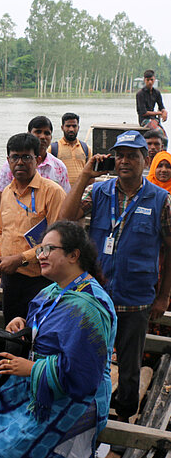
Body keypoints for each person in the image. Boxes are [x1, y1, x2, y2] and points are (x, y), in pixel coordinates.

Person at [0, 221, 117, 458]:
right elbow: (40, 328)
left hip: (72, 396)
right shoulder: (53, 291)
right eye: (40, 249)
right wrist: (22, 325)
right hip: (38, 379)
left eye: (49, 249)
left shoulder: (86, 310)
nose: (40, 256)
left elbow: (83, 377)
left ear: (74, 255)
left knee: (5, 449)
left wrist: (32, 369)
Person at [59, 130, 171, 425]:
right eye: (119, 155)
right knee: (87, 356)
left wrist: (163, 297)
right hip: (96, 298)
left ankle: (123, 421)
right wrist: (85, 177)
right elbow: (64, 218)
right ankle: (87, 412)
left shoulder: (161, 200)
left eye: (132, 156)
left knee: (131, 366)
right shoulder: (98, 193)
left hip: (136, 301)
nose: (124, 161)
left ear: (144, 160)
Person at [0, 133, 66, 323]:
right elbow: (1, 231)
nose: (20, 162)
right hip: (10, 280)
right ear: (8, 160)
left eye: (26, 157)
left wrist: (21, 259)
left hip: (41, 281)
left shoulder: (53, 192)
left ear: (38, 160)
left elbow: (57, 243)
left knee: (39, 336)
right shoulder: (7, 192)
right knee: (12, 334)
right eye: (15, 157)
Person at [0, 116, 70, 236]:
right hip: (15, 226)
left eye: (47, 133)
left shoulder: (59, 167)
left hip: (47, 233)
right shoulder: (10, 166)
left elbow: (65, 203)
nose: (42, 137)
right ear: (29, 134)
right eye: (38, 132)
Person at [49, 112, 92, 185]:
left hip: (81, 192)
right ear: (62, 128)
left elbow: (90, 173)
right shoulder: (53, 149)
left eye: (74, 126)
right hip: (61, 192)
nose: (71, 129)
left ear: (78, 128)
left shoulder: (86, 148)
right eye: (68, 126)